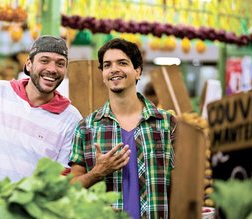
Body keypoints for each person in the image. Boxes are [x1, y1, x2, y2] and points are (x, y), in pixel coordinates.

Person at [0, 35, 82, 191]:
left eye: (60, 64)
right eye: (44, 61)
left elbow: (62, 175)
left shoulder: (72, 119)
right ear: (28, 64)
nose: (52, 69)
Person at [69, 38, 176, 219]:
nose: (114, 69)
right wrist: (96, 173)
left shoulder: (166, 124)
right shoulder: (86, 128)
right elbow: (70, 188)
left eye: (122, 63)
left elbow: (182, 186)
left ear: (138, 71)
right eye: (107, 65)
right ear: (103, 74)